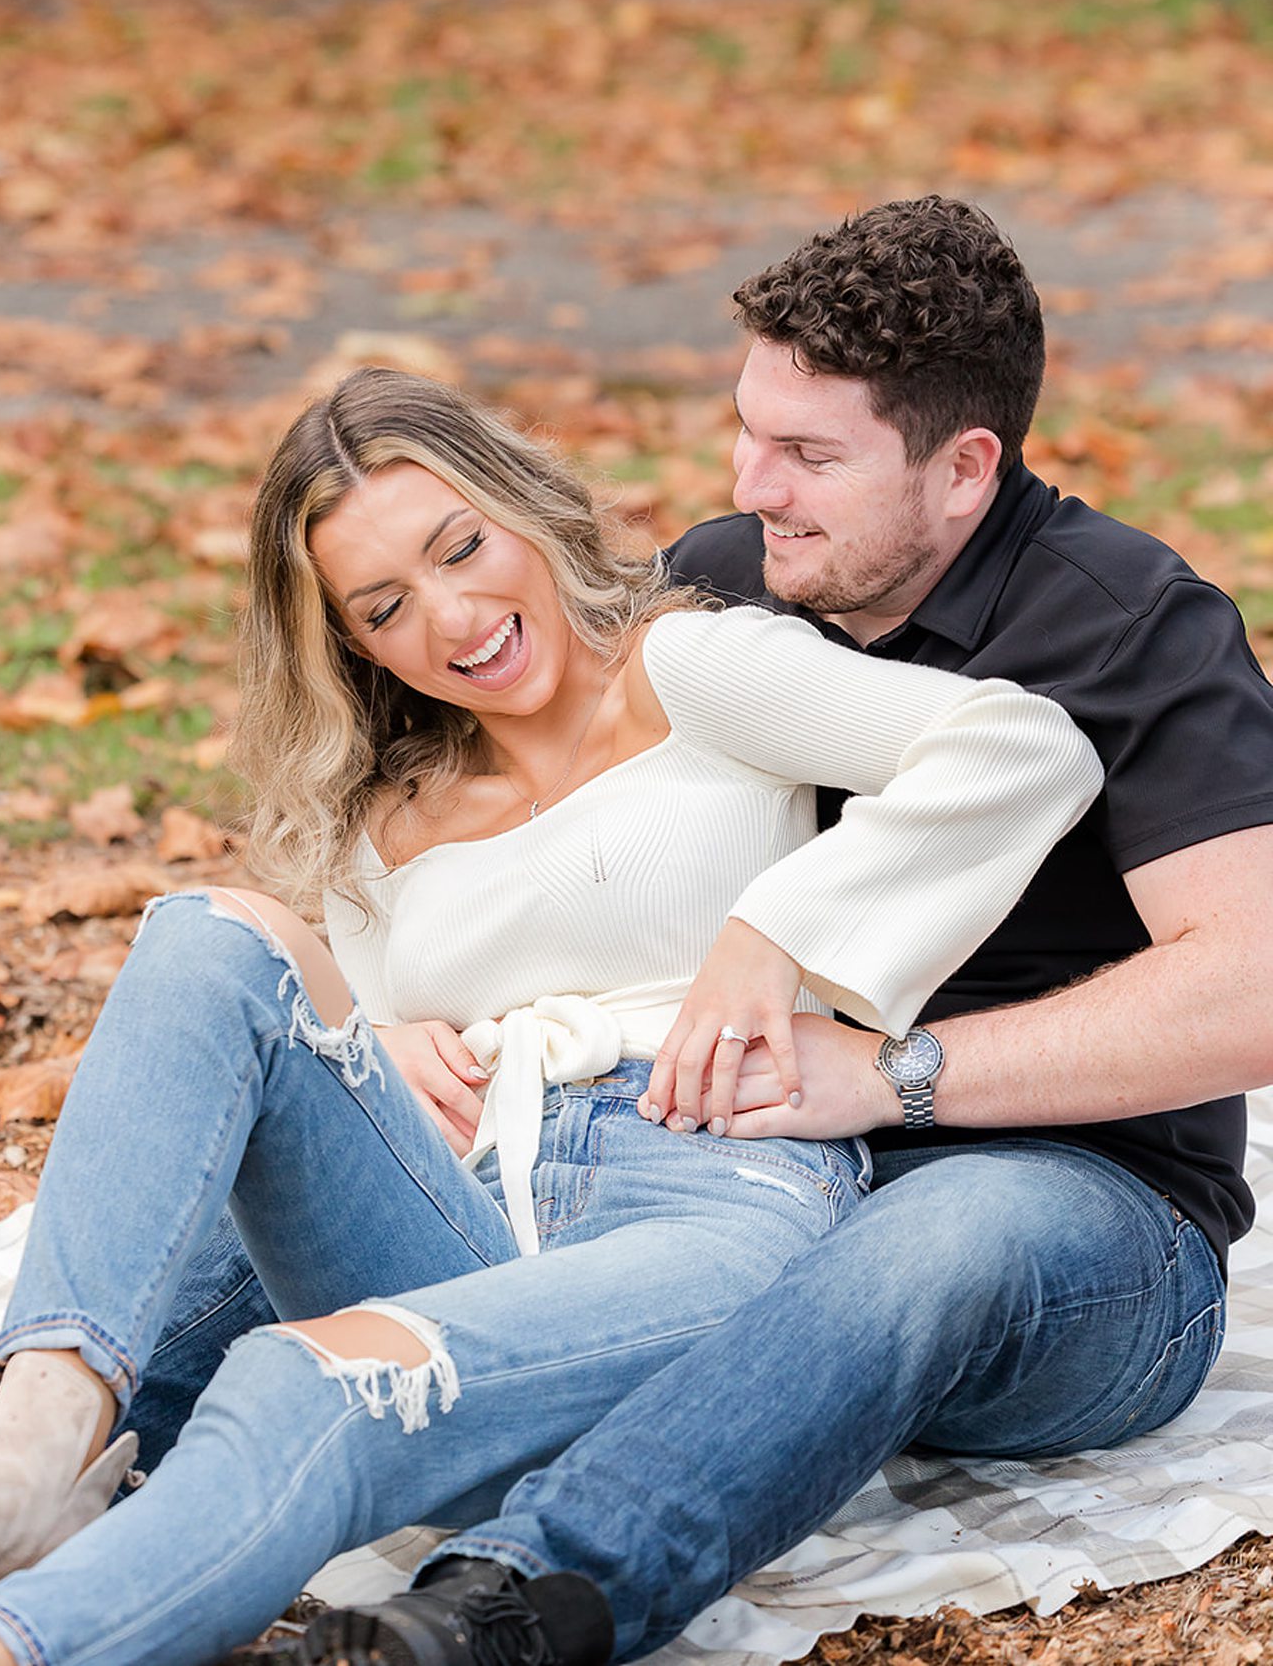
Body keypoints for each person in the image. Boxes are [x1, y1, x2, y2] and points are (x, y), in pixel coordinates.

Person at [0, 361, 1099, 1666]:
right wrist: (383, 1036)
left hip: (701, 1197)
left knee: (315, 1376)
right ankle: (24, 1447)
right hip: (463, 1222)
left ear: (524, 508)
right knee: (207, 936)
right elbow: (322, 1077)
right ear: (349, 641)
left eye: (465, 547)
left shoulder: (690, 669)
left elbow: (1019, 748)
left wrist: (779, 936)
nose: (456, 618)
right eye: (387, 604)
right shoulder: (380, 813)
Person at [286, 194, 1273, 1666]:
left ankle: (523, 1600)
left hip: (1075, 1223)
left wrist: (895, 1077)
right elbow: (560, 840)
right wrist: (404, 1020)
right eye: (747, 430)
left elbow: (1253, 986)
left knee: (929, 1238)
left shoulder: (1133, 629)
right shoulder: (738, 578)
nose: (755, 486)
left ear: (964, 471)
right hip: (731, 1174)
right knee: (324, 1141)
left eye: (810, 457)